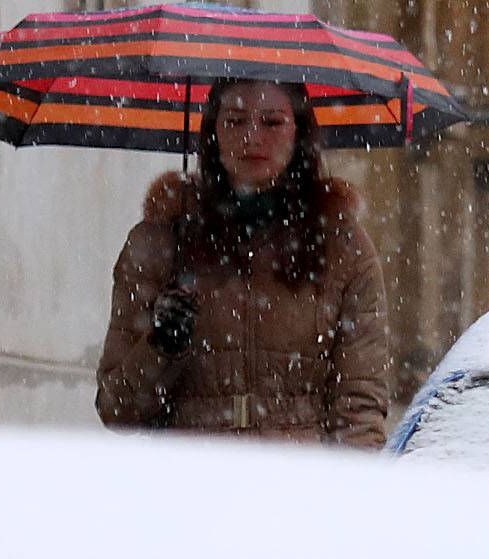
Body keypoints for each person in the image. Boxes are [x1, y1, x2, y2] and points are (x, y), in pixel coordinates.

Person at [96, 78, 393, 443]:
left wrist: (352, 494)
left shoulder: (341, 246)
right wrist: (161, 347)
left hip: (297, 486)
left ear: (299, 133)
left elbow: (360, 405)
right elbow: (118, 410)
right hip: (187, 483)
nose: (252, 137)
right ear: (213, 131)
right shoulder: (162, 241)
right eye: (235, 121)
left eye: (272, 122)